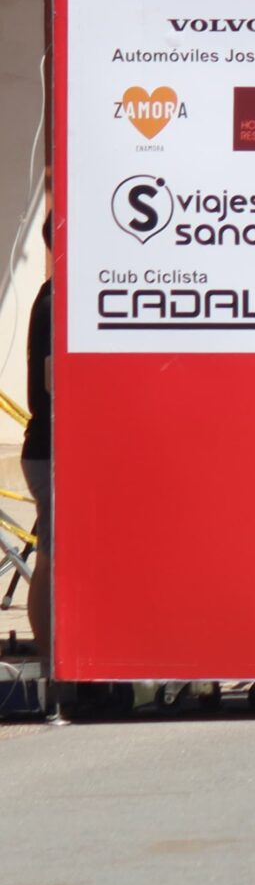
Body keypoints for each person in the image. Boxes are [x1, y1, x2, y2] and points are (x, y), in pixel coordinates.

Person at [18, 217, 49, 661]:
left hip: (47, 448)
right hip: (49, 449)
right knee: (54, 557)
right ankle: (49, 656)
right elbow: (51, 384)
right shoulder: (54, 301)